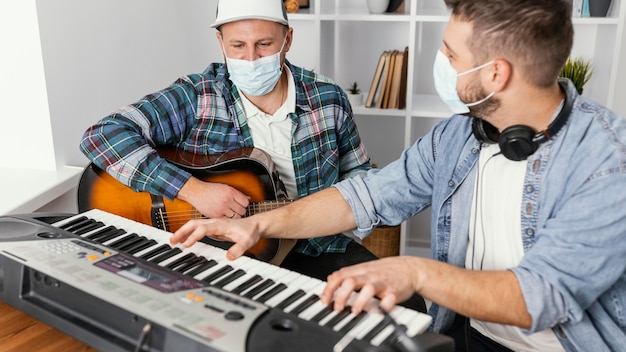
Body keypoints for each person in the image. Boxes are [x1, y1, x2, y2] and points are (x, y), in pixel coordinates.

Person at [170, 0, 626, 350]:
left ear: (496, 73)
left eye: (450, 54)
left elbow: (539, 297)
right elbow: (365, 195)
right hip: (465, 334)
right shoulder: (457, 136)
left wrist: (414, 272)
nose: (441, 63)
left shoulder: (607, 161)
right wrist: (258, 224)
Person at [79, 0, 430, 313]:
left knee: (406, 307)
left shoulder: (328, 98)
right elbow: (102, 136)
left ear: (287, 40)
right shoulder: (197, 94)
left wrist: (363, 208)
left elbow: (358, 176)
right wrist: (193, 191)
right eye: (237, 46)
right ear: (220, 43)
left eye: (264, 45)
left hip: (316, 246)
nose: (250, 58)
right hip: (221, 254)